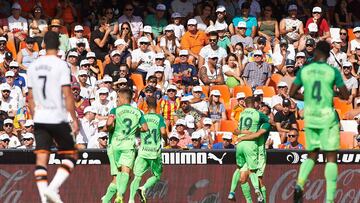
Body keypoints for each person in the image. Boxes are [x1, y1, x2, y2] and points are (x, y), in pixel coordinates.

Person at [289, 41, 350, 203]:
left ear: (315, 52)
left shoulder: (305, 70)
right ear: (329, 54)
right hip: (326, 116)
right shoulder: (332, 71)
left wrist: (308, 97)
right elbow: (345, 95)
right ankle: (329, 200)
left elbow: (292, 93)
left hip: (310, 116)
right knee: (331, 157)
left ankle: (299, 184)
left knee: (312, 154)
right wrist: (334, 93)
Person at [27, 31, 79, 203]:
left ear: (42, 45)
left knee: (42, 158)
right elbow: (67, 94)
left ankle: (44, 198)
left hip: (40, 117)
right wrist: (75, 119)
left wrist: (36, 115)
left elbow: (30, 97)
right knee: (71, 156)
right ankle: (52, 188)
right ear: (58, 46)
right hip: (56, 116)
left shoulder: (33, 66)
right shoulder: (61, 65)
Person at [104, 88, 148, 203]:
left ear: (123, 98)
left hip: (114, 146)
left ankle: (106, 201)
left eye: (118, 97)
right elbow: (145, 128)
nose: (117, 99)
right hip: (128, 145)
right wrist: (136, 130)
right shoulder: (138, 112)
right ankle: (119, 195)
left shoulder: (115, 110)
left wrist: (109, 127)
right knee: (125, 173)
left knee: (116, 177)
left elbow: (109, 123)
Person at [228, 97, 268, 202]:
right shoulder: (259, 115)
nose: (261, 108)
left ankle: (232, 192)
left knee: (240, 172)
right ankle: (256, 193)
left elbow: (235, 131)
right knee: (253, 173)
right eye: (259, 105)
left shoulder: (241, 114)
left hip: (240, 145)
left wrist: (242, 134)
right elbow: (268, 122)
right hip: (252, 147)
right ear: (255, 104)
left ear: (245, 104)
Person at [129, 96, 166, 203]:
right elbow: (163, 132)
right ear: (157, 104)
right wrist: (166, 140)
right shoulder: (159, 118)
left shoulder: (143, 118)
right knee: (157, 176)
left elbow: (136, 130)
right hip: (154, 152)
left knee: (137, 176)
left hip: (143, 151)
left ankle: (131, 200)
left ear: (146, 105)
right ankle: (143, 188)